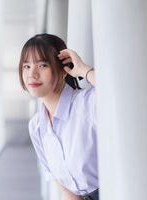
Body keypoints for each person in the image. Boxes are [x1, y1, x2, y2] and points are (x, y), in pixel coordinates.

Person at [18, 33, 99, 200]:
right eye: (26, 66)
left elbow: (119, 95)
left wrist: (84, 70)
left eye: (42, 65)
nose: (32, 74)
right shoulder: (36, 126)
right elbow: (63, 185)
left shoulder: (87, 103)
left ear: (63, 69)